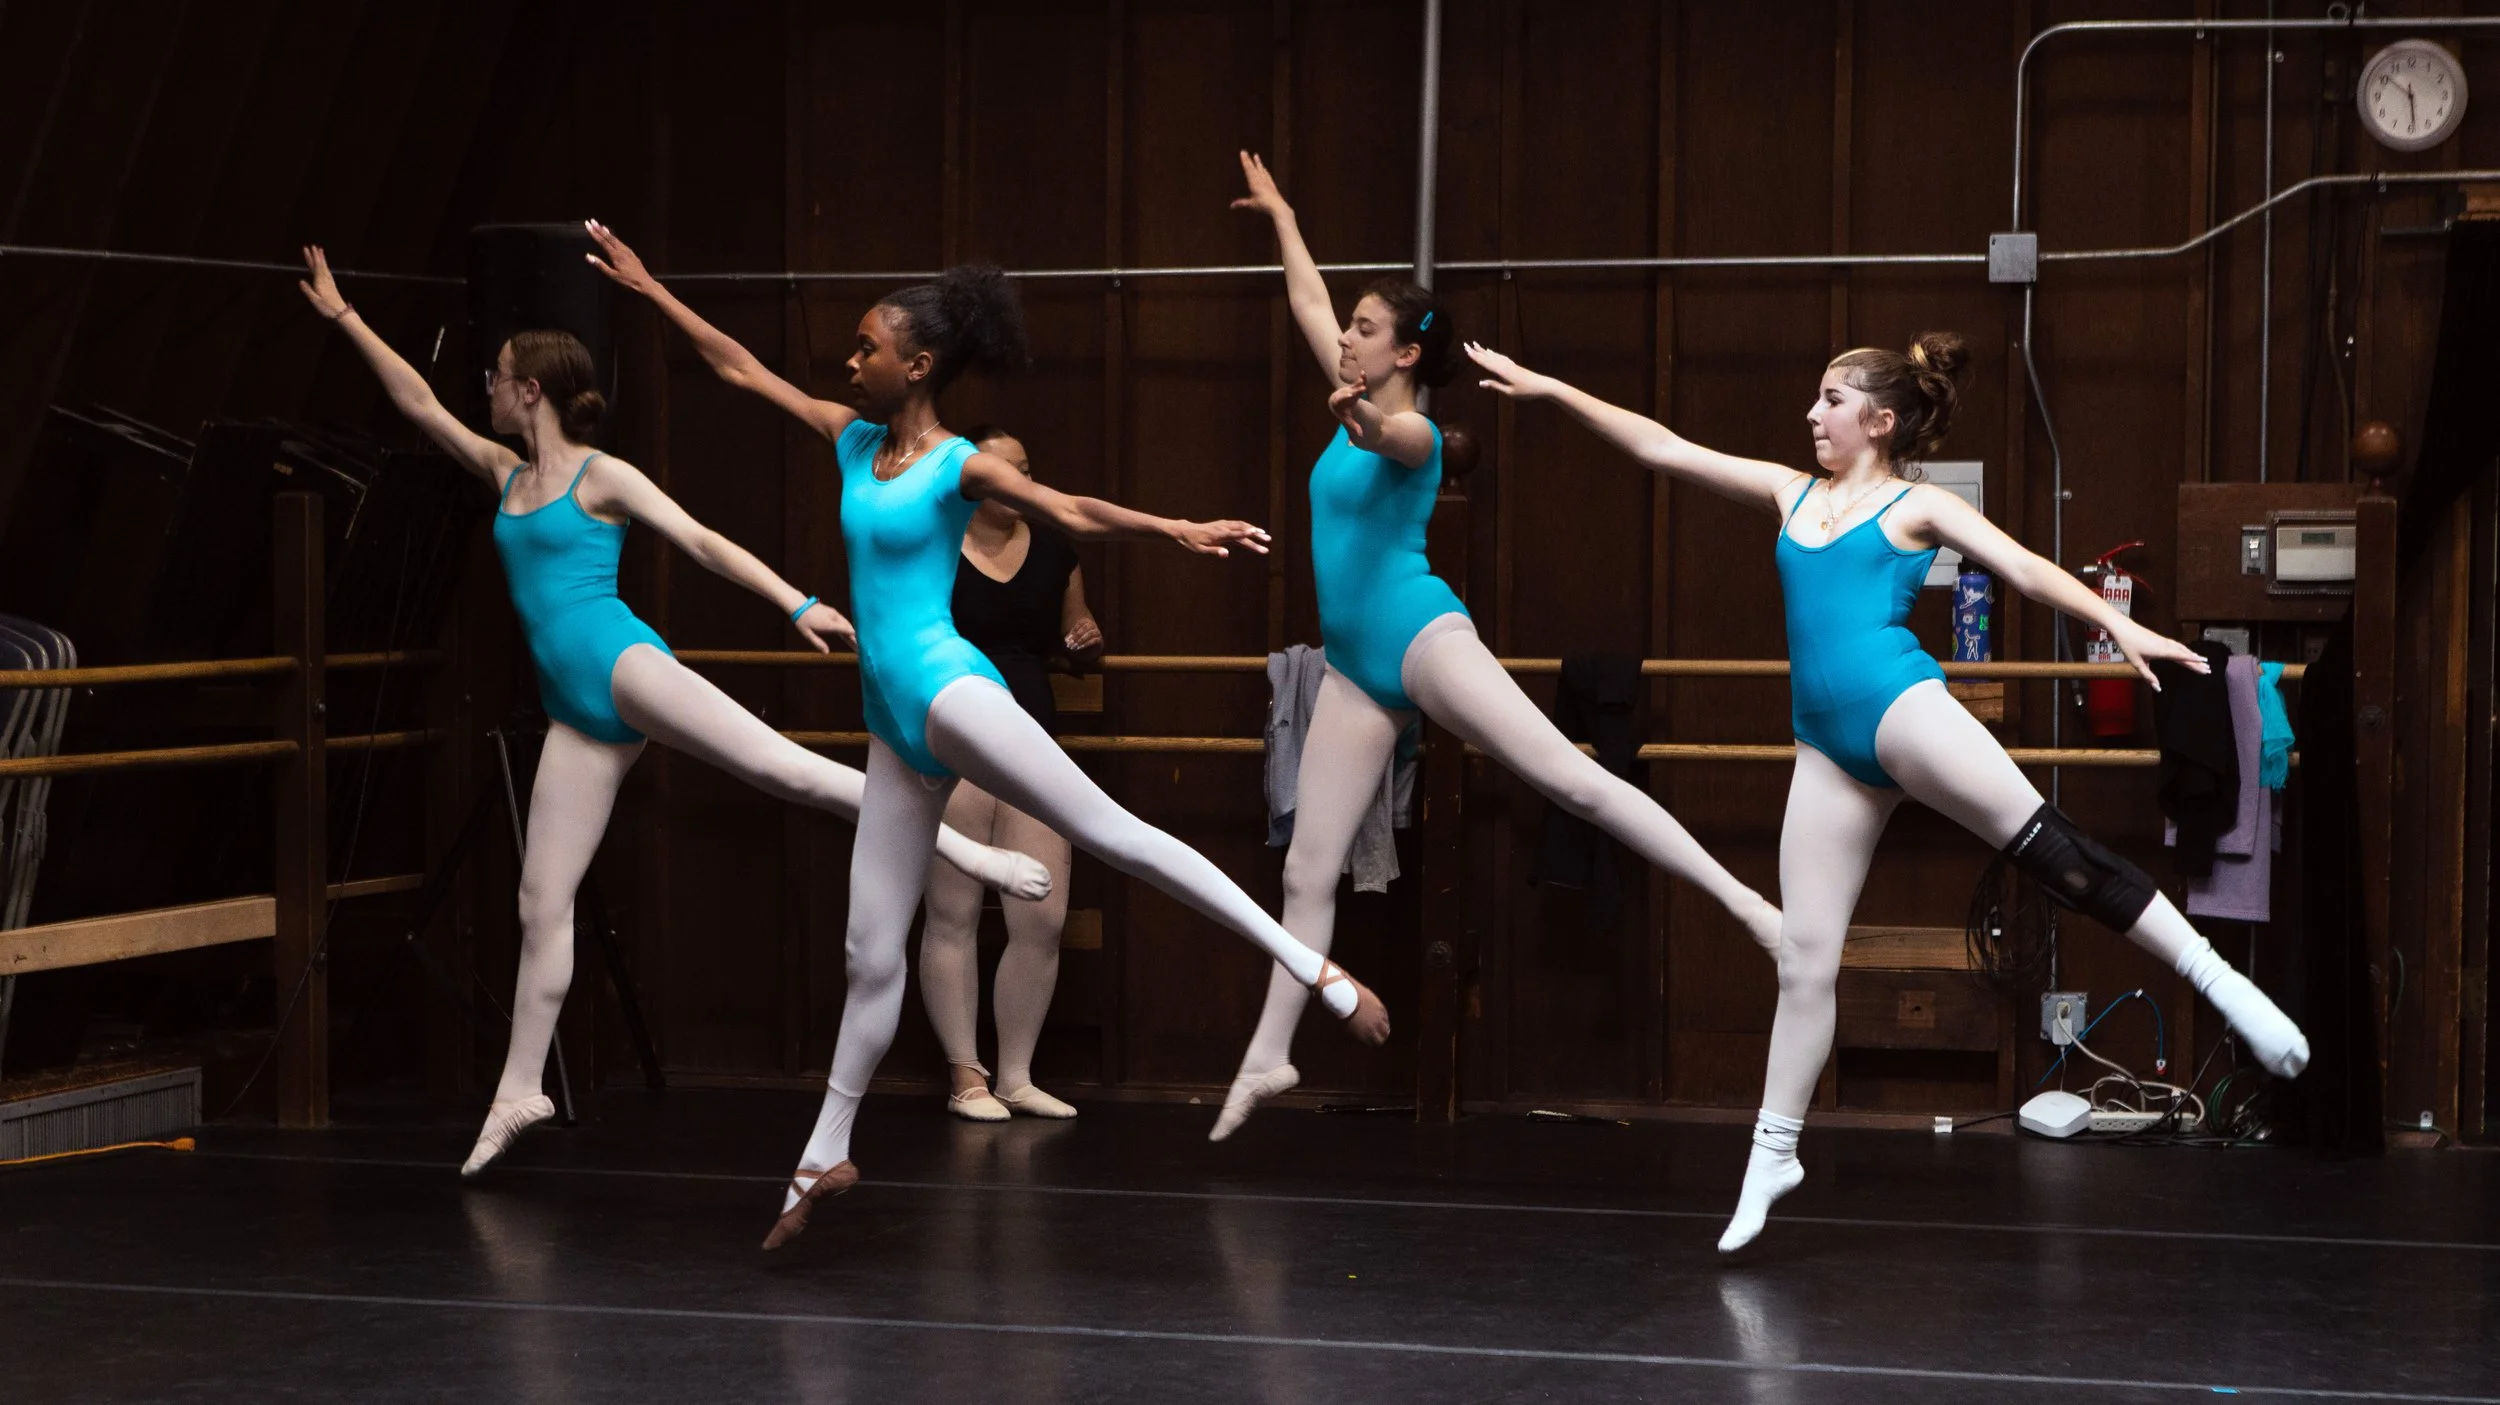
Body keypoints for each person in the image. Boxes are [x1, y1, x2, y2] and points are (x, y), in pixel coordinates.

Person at [581, 223, 1392, 1251]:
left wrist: (1174, 528)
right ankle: (821, 1154)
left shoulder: (957, 466)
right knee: (869, 951)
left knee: (1110, 833)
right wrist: (652, 287)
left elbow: (1068, 509)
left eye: (866, 345)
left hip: (946, 686)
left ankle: (1310, 969)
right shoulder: (849, 438)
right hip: (890, 722)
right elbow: (737, 368)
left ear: (917, 365)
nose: (848, 358)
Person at [1465, 330, 2310, 1252]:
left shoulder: (1916, 506)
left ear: (1878, 418)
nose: (1810, 414)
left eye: (1829, 400)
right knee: (1803, 958)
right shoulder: (1792, 493)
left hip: (1901, 710)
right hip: (1824, 752)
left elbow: (2024, 568)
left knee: (2053, 851)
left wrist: (2119, 625)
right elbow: (1664, 447)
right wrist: (1553, 388)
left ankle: (2224, 985)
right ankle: (1772, 1152)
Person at [296, 246, 1050, 1179]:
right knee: (542, 901)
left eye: (495, 380)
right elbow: (416, 401)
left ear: (528, 389)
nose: (484, 392)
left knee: (779, 765)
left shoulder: (600, 478)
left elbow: (700, 540)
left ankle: (966, 850)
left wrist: (795, 602)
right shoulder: (502, 472)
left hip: (622, 664)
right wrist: (345, 320)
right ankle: (519, 1089)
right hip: (573, 708)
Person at [1213, 152, 1783, 1142]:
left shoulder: (1418, 434)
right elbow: (1304, 298)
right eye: (1347, 328)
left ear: (1400, 356)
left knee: (1571, 780)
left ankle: (1748, 908)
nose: (1342, 336)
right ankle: (1271, 1051)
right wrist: (1283, 216)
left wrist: (1355, 413)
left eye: (1361, 330)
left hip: (1421, 637)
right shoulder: (1354, 381)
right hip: (1351, 670)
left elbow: (1388, 443)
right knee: (1308, 873)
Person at [919, 424, 1100, 1123]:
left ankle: (1017, 1074)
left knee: (1043, 914)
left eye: (1028, 468)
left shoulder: (1055, 547)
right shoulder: (935, 545)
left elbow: (1077, 631)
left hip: (1031, 737)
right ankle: (967, 1074)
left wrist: (1086, 640)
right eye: (1007, 470)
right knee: (954, 910)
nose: (1021, 481)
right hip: (957, 740)